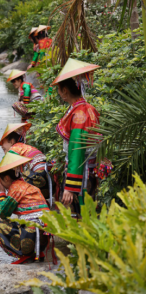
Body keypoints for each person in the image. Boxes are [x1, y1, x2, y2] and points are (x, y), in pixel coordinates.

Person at [51, 58, 100, 217]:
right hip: (88, 169)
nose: (59, 93)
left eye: (59, 89)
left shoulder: (78, 114)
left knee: (81, 216)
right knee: (89, 212)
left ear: (65, 90)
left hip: (80, 173)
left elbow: (77, 149)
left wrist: (70, 187)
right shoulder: (88, 108)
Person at [0, 152, 50, 264]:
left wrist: (2, 192)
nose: (0, 184)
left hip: (31, 236)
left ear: (6, 178)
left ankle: (26, 254)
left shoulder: (15, 188)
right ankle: (37, 252)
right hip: (45, 236)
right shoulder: (27, 185)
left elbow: (2, 213)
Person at [0, 123, 52, 199]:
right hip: (49, 179)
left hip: (39, 178)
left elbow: (2, 166)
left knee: (15, 183)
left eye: (3, 142)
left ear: (12, 141)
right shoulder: (25, 147)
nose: (1, 145)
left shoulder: (15, 148)